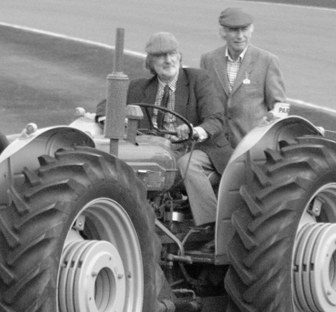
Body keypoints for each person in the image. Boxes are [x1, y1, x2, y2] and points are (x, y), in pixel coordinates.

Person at [96, 32, 233, 228]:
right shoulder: (138, 87)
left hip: (200, 148)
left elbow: (215, 119)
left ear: (179, 56)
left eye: (172, 54)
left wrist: (195, 130)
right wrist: (111, 119)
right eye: (161, 56)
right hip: (157, 151)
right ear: (150, 62)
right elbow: (106, 106)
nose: (168, 60)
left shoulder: (198, 79)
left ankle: (211, 227)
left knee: (187, 165)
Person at [200, 7, 286, 148]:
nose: (240, 36)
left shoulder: (267, 61)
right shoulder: (208, 60)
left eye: (244, 29)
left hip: (253, 147)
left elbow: (280, 105)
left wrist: (271, 123)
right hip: (216, 146)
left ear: (251, 30)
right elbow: (203, 102)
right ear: (223, 32)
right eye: (234, 30)